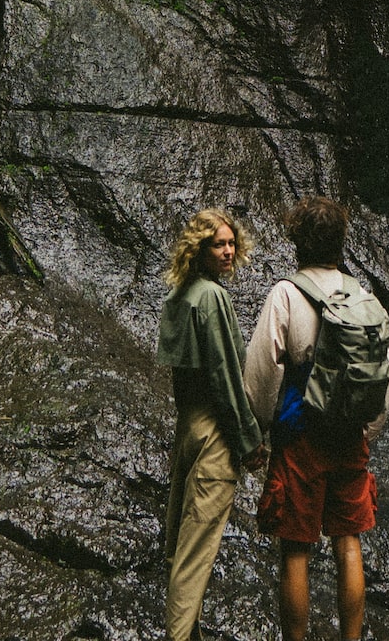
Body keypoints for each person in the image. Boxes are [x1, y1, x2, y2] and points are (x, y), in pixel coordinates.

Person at [244, 196, 389, 641]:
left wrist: (261, 427)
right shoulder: (363, 296)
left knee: (296, 549)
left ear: (298, 241)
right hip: (350, 434)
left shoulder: (286, 294)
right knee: (349, 543)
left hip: (301, 437)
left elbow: (263, 369)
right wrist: (367, 429)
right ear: (340, 242)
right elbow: (384, 372)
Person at [158, 207, 269, 641]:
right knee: (195, 552)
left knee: (179, 547)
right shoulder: (212, 298)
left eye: (230, 243)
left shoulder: (181, 293)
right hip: (213, 434)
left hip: (186, 427)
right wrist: (249, 441)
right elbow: (225, 377)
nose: (227, 251)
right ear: (199, 249)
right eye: (217, 244)